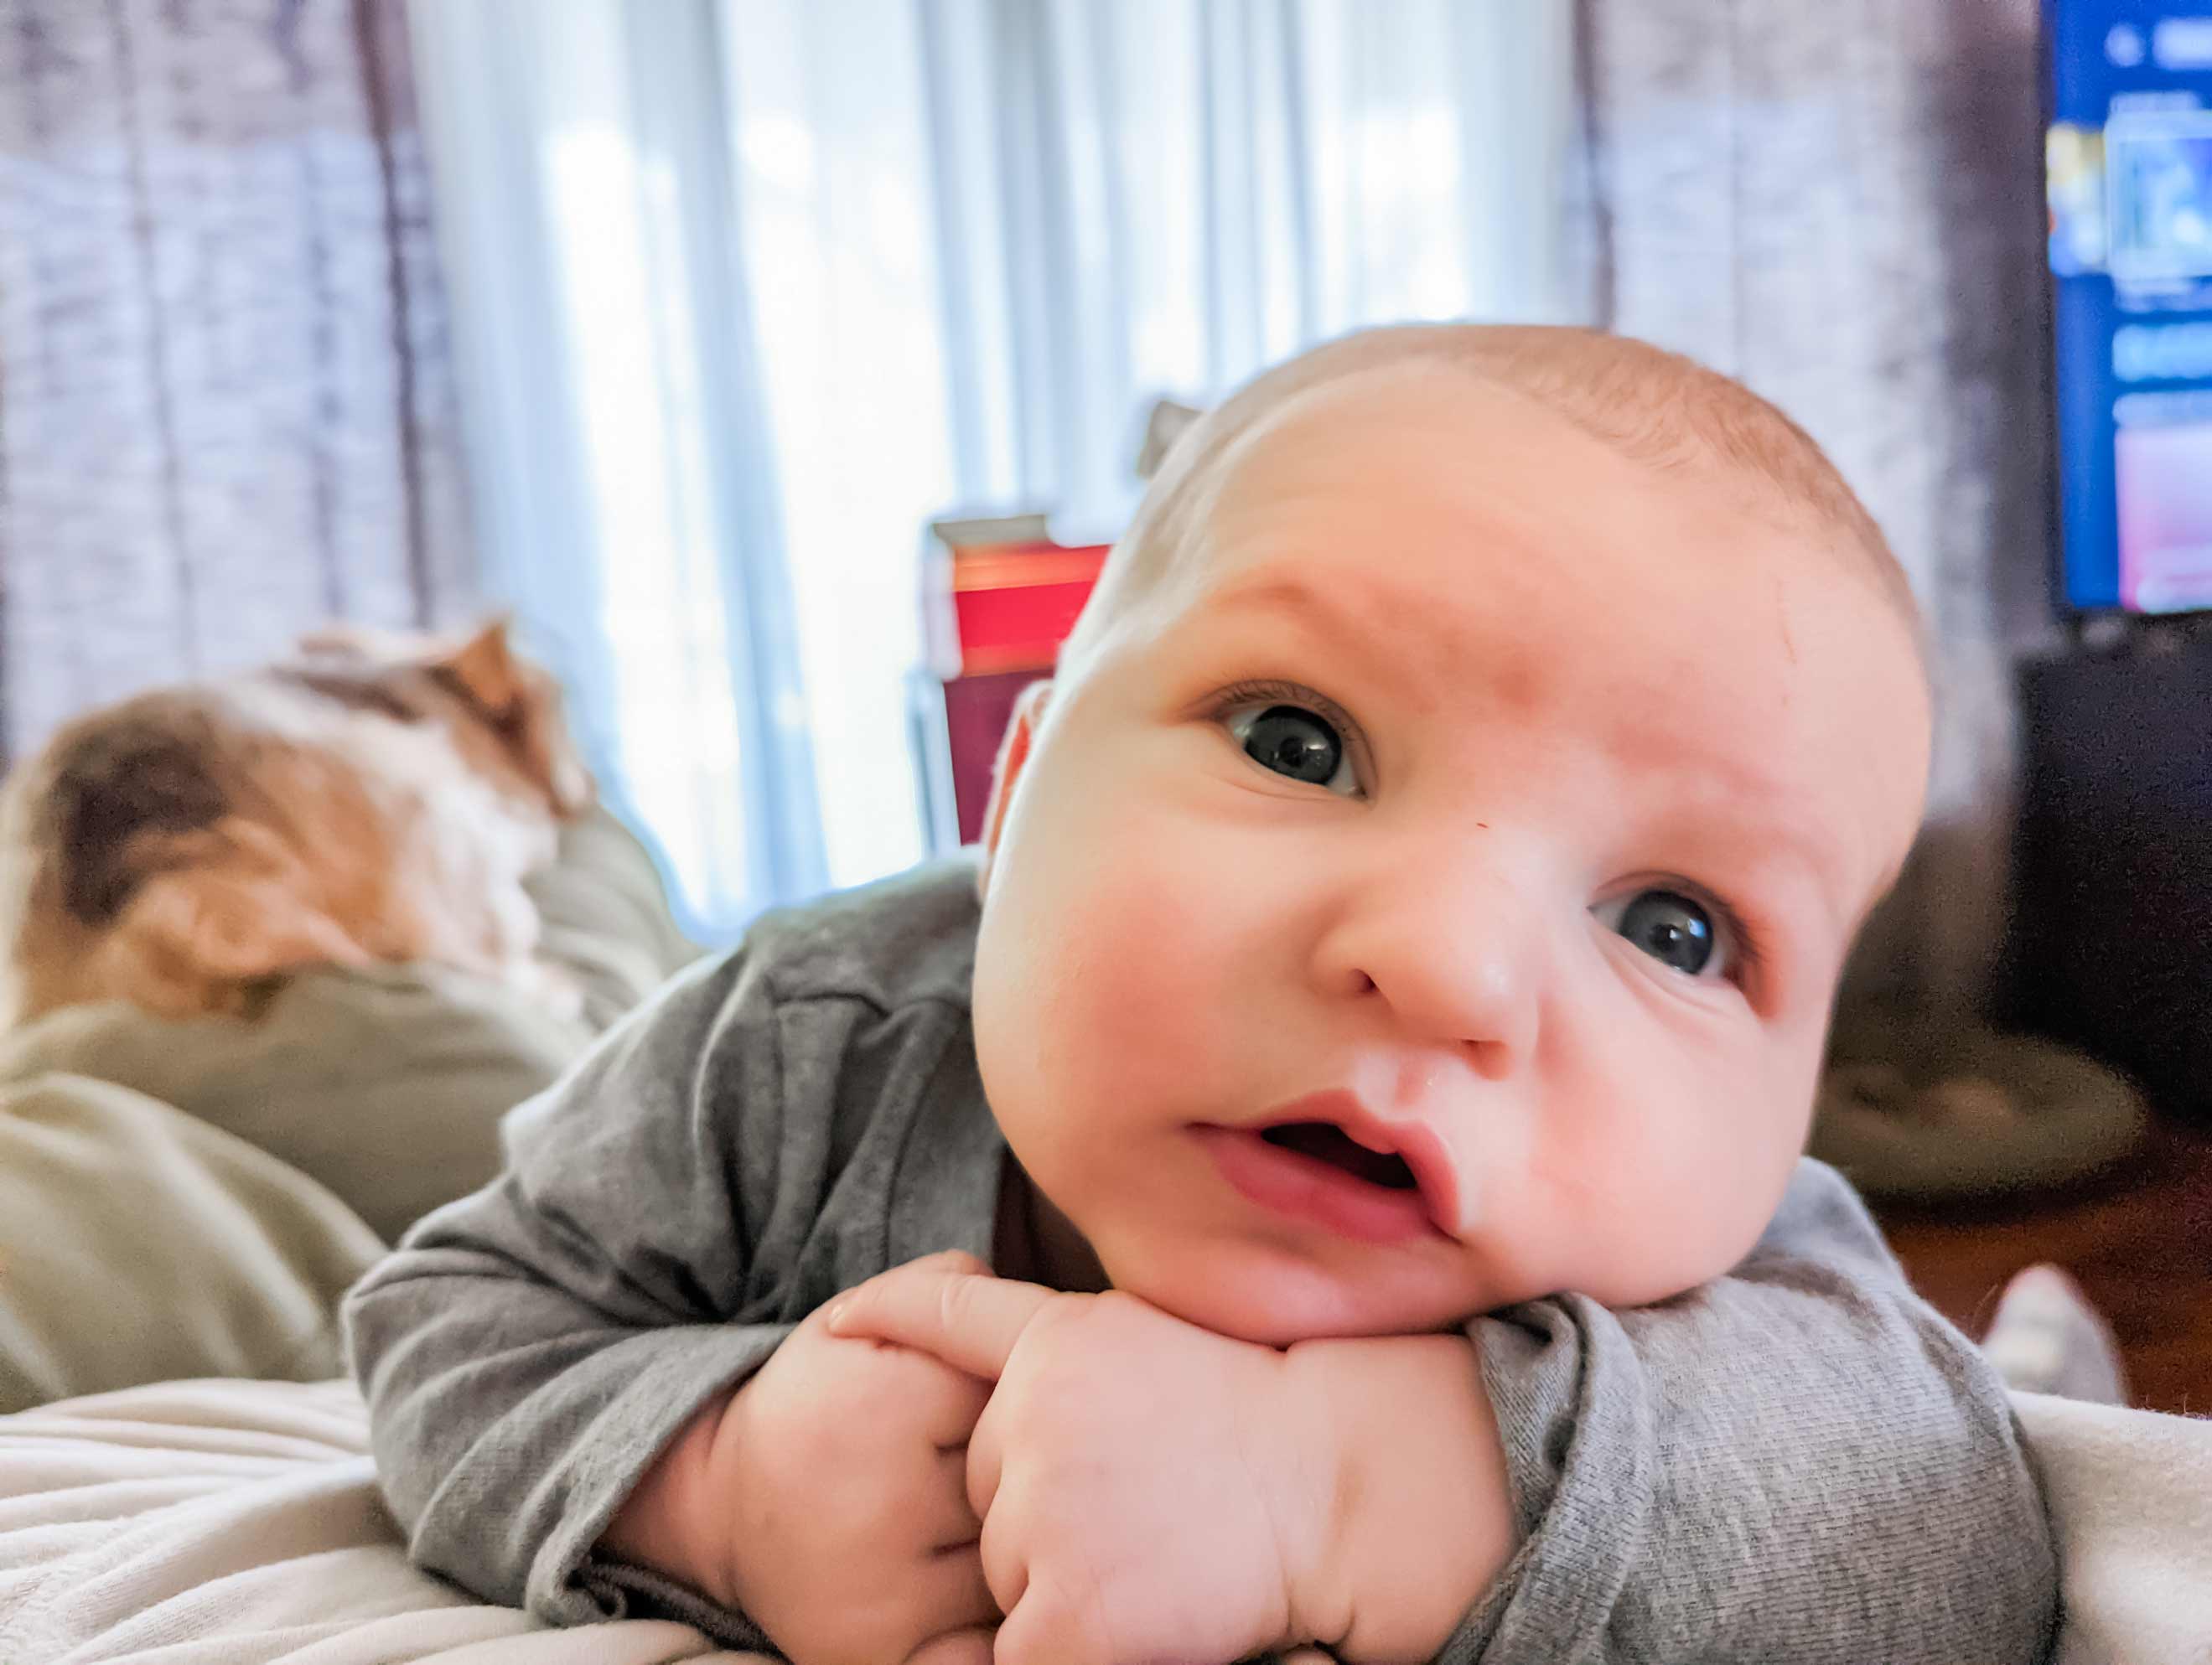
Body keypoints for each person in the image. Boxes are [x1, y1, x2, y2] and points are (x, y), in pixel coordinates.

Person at [346, 324, 2056, 1665]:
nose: (1446, 961)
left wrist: (1335, 1482)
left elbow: (1946, 1533)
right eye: (1297, 742)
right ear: (1012, 798)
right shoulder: (808, 1040)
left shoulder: (1730, 1276)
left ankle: (2052, 1338)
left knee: (2025, 1384)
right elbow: (453, 1323)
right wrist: (711, 1481)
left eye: (1675, 928)